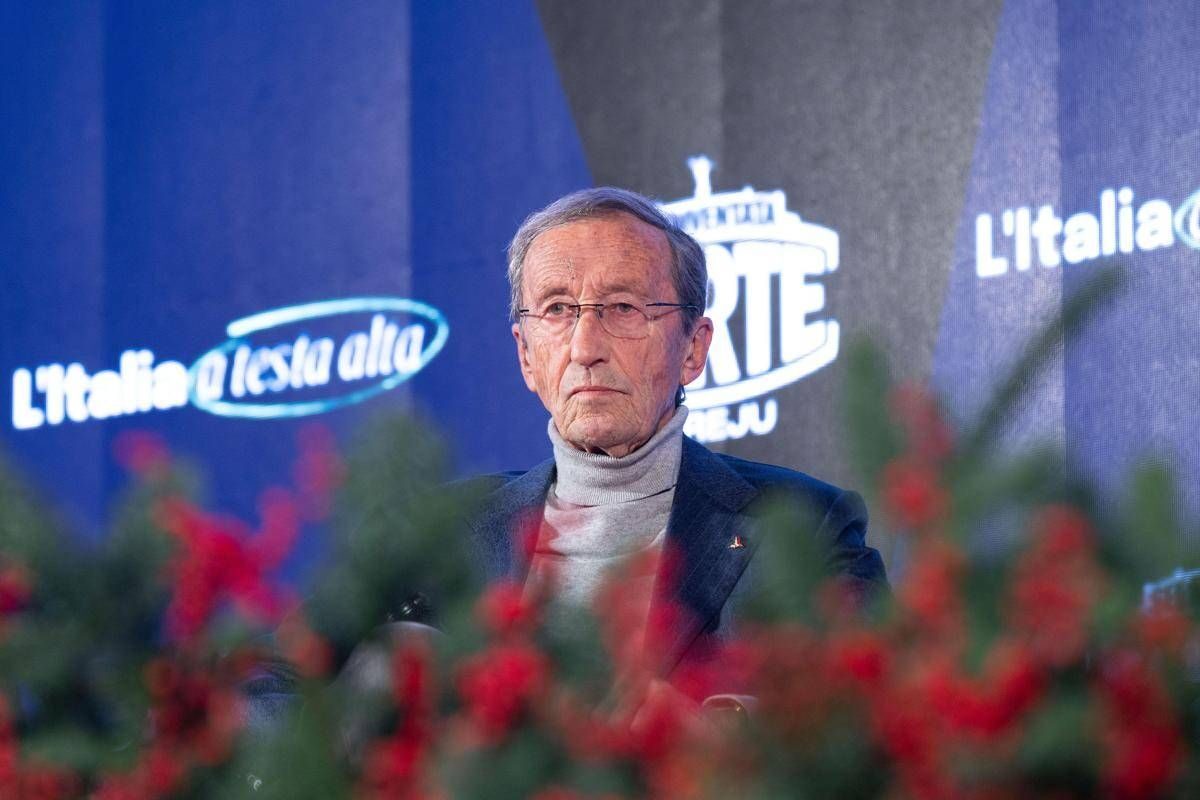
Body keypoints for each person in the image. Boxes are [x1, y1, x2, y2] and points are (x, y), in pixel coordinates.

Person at [467, 187, 888, 681]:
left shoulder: (804, 530)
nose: (584, 347)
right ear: (525, 355)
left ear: (693, 348)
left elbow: (869, 712)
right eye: (557, 309)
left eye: (623, 307)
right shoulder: (452, 533)